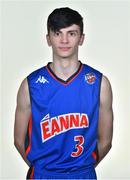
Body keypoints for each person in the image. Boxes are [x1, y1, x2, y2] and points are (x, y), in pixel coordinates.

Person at [14, 7, 113, 179]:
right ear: (48, 39)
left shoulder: (99, 83)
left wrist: (82, 168)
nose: (64, 40)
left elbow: (105, 142)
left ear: (81, 38)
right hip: (44, 174)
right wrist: (43, 170)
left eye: (72, 33)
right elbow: (18, 140)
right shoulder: (30, 85)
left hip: (82, 174)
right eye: (57, 33)